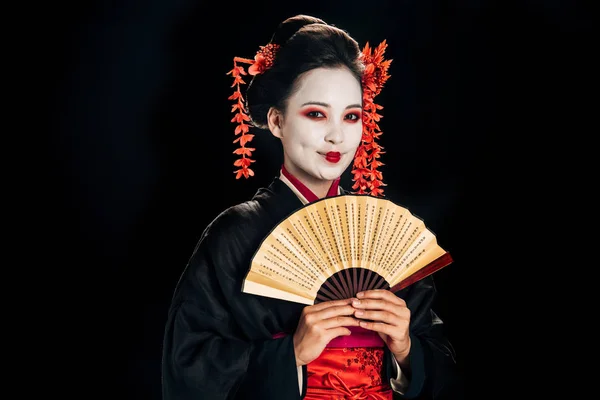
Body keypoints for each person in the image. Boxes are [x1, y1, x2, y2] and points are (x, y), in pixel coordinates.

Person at [162, 14, 461, 400]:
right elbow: (188, 369)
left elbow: (449, 371)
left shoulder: (385, 236)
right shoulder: (233, 236)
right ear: (276, 120)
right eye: (316, 113)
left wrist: (405, 348)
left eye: (351, 116)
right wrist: (291, 354)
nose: (337, 135)